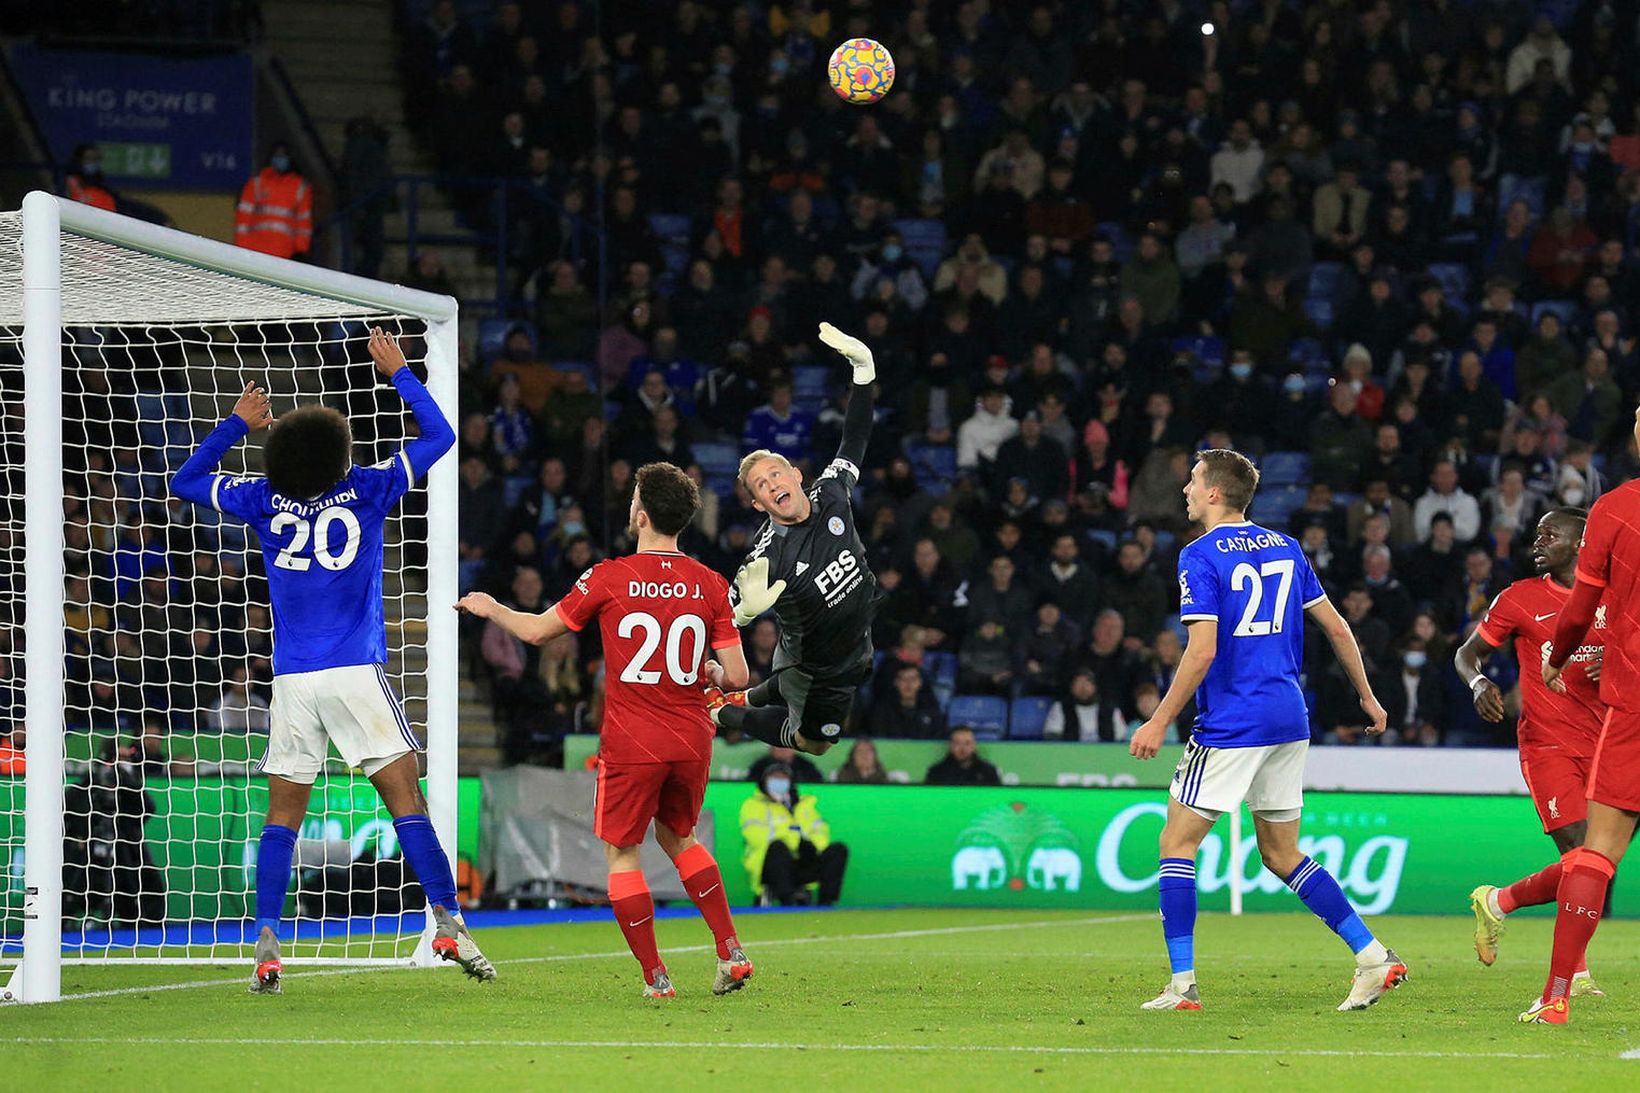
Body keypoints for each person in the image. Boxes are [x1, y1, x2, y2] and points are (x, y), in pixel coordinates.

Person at [170, 328, 488, 994]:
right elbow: (440, 438)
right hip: (354, 670)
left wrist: (235, 422)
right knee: (406, 798)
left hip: (292, 680)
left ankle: (264, 940)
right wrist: (401, 372)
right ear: (341, 453)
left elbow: (186, 479)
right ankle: (448, 921)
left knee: (282, 814)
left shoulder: (260, 498)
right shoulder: (368, 489)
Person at [457, 461, 753, 1001]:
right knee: (679, 837)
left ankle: (656, 977)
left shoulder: (608, 576)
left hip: (634, 737)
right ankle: (731, 952)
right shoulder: (711, 583)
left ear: (640, 515)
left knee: (622, 853)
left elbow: (539, 632)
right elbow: (736, 676)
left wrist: (490, 606)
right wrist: (708, 670)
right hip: (690, 736)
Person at [1128, 449, 1404, 1012]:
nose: (1185, 488)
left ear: (1213, 493)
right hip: (1287, 716)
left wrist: (1159, 719)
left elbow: (1201, 650)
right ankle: (1374, 957)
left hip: (1234, 720)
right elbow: (1336, 625)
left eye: (1193, 480)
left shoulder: (1198, 556)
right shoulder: (1286, 547)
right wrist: (1368, 696)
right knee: (1280, 853)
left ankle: (1182, 987)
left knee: (1176, 843)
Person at [1453, 508, 1606, 997]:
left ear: (1583, 544)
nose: (1538, 541)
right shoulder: (1520, 598)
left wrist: (1622, 659)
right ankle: (1574, 974)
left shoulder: (1616, 593)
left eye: (1551, 534)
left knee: (1599, 862)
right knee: (1582, 856)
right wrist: (1478, 682)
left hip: (1610, 741)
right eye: (1537, 533)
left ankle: (1498, 901)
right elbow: (1467, 654)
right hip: (1549, 744)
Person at [708, 324, 880, 757]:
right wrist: (743, 615)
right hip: (816, 669)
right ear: (758, 505)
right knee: (815, 743)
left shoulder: (832, 490)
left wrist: (864, 374)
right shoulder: (767, 557)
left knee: (794, 692)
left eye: (775, 474)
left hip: (856, 640)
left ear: (797, 475)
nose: (771, 485)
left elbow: (855, 437)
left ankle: (755, 695)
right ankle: (719, 713)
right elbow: (721, 617)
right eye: (760, 486)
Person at [1524, 406, 1640, 1025]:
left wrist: (1559, 657)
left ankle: (1558, 996)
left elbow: (1581, 606)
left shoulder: (1616, 510)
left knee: (1596, 854)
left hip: (1634, 707)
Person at [739, 760, 849, 905]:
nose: (779, 782)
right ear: (764, 781)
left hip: (802, 861)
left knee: (838, 850)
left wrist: (812, 846)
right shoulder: (753, 805)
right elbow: (757, 837)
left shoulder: (804, 805)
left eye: (783, 778)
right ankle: (788, 901)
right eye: (774, 778)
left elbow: (820, 831)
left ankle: (826, 904)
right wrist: (797, 842)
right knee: (778, 848)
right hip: (770, 865)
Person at [234, 142, 314, 260]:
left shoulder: (300, 187)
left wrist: (300, 250)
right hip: (255, 251)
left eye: (283, 156)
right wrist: (242, 247)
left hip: (285, 253)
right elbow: (243, 219)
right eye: (277, 156)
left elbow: (303, 224)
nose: (280, 159)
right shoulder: (257, 184)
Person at [924, 726, 1002, 786]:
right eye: (957, 743)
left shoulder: (988, 772)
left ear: (974, 745)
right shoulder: (936, 772)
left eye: (967, 743)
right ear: (951, 745)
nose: (962, 748)